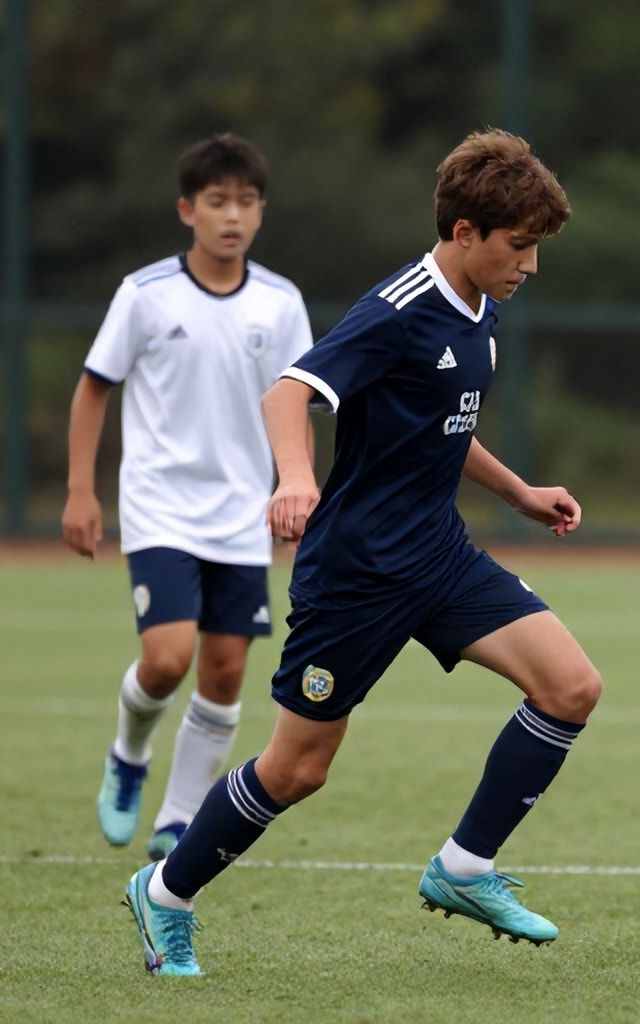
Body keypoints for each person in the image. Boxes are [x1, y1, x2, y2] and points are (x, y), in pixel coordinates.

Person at [122, 129, 594, 977]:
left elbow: (443, 428)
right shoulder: (399, 308)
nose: (530, 266)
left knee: (570, 687)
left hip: (440, 557)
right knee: (298, 770)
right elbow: (289, 391)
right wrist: (295, 479)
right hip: (358, 572)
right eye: (520, 247)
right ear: (465, 234)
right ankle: (164, 894)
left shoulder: (483, 312)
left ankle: (464, 868)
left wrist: (519, 491)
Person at [64, 133, 313, 861]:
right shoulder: (145, 295)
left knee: (229, 670)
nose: (231, 216)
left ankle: (177, 819)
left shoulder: (281, 302)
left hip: (242, 513)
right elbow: (92, 389)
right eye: (216, 202)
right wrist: (81, 491)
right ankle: (129, 752)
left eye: (245, 202)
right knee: (168, 658)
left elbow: (298, 402)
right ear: (187, 210)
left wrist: (296, 484)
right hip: (160, 505)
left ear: (261, 212)